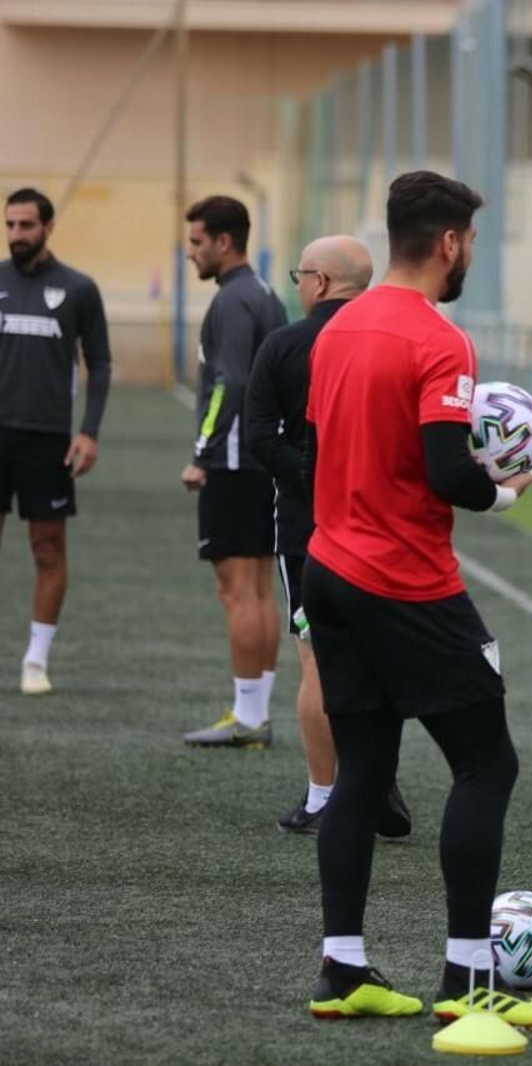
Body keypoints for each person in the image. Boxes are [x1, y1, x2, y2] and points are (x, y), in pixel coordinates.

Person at [299, 170, 532, 1029]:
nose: (470, 254)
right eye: (472, 241)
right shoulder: (438, 341)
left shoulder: (337, 327)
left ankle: (345, 970)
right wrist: (511, 490)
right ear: (449, 242)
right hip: (402, 579)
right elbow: (450, 470)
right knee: (489, 763)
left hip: (328, 570)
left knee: (363, 772)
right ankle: (467, 980)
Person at [244, 234, 410, 838]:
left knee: (317, 661)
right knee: (381, 659)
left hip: (310, 532)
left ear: (316, 282)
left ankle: (324, 797)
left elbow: (260, 436)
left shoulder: (286, 344)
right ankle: (378, 783)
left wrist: (318, 479)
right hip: (386, 529)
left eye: (298, 276)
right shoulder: (392, 342)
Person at [179, 195, 288, 748]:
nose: (190, 252)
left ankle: (248, 719)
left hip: (236, 461)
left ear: (224, 242)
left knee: (238, 592)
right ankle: (256, 713)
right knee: (261, 589)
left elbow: (232, 384)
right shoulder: (266, 293)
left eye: (196, 241)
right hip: (264, 462)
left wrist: (204, 451)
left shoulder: (231, 302)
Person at [0, 186, 111, 695]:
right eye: (10, 225)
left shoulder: (79, 289)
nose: (16, 235)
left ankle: (35, 661)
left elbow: (100, 363)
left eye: (26, 225)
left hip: (48, 441)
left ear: (47, 227)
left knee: (47, 549)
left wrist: (88, 431)